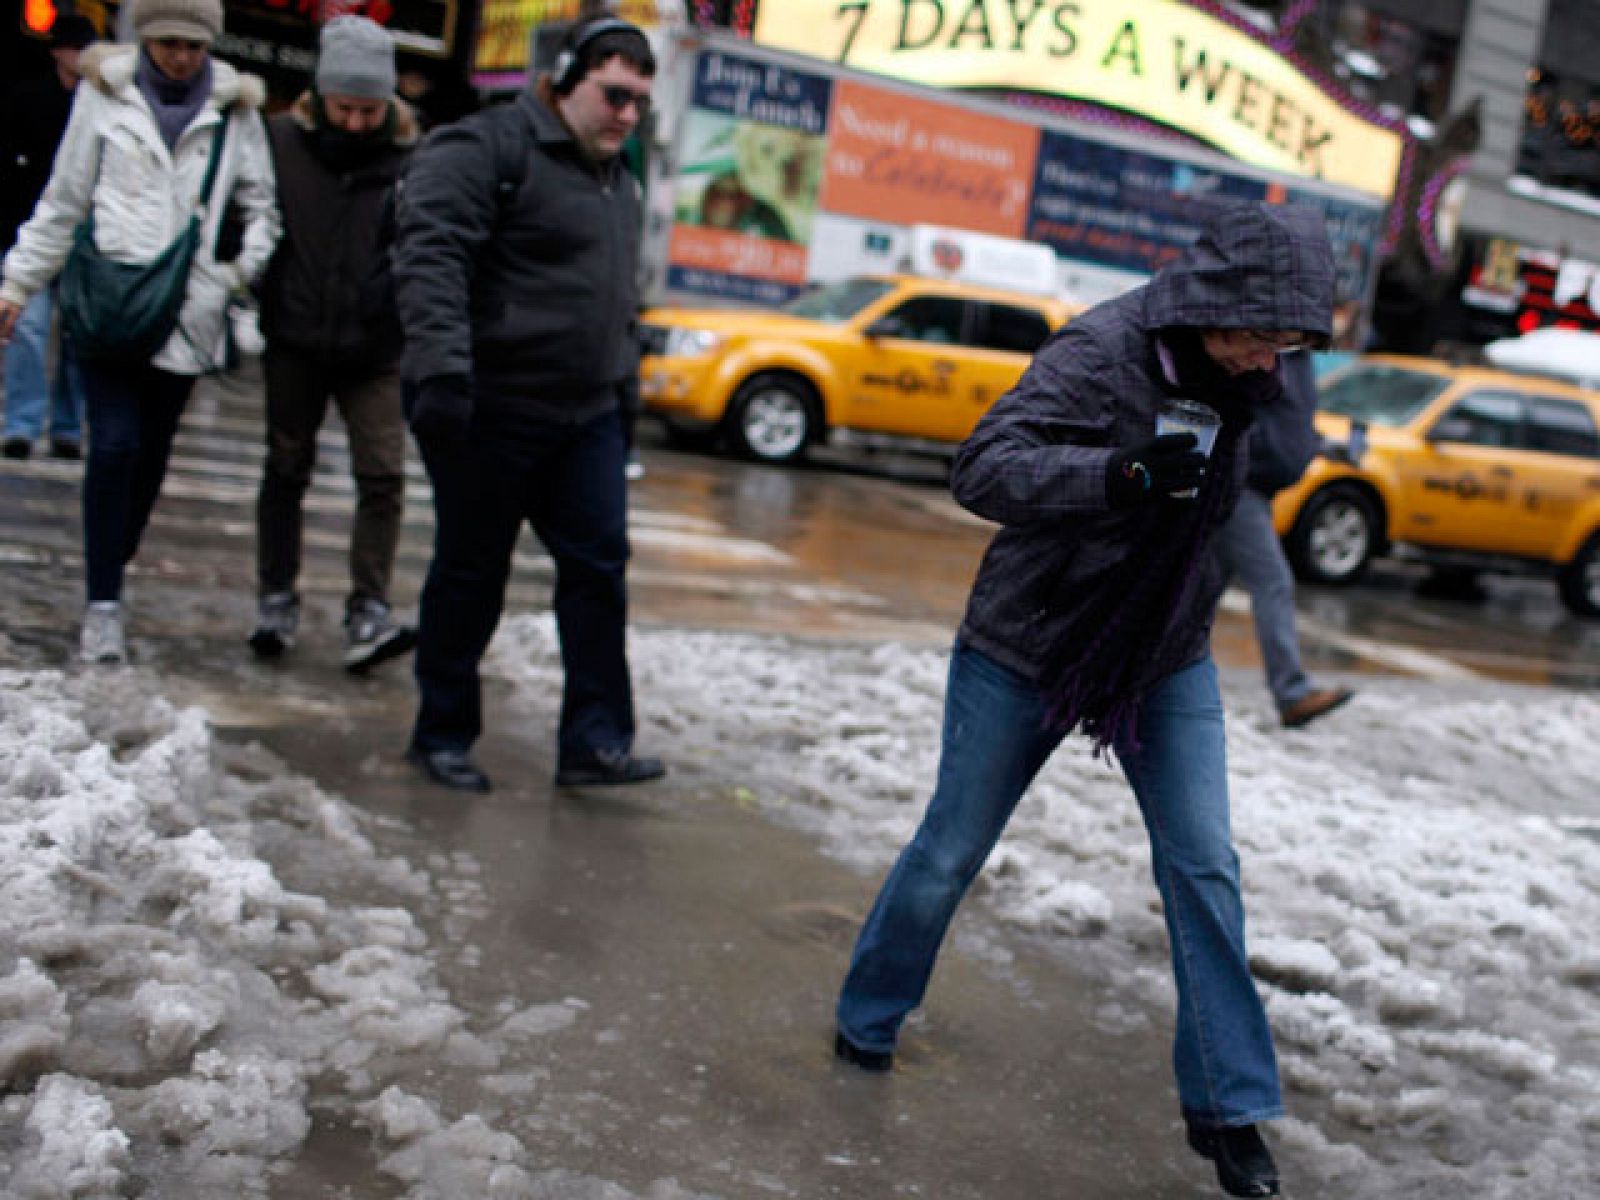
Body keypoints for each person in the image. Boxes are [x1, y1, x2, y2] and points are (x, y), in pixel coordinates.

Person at [832, 202, 1335, 1200]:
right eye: (1253, 334)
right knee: (949, 850)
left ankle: (1228, 1112)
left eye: (1283, 340)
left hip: (1164, 649)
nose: (1261, 357)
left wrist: (1282, 384)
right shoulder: (1101, 351)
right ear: (1206, 303)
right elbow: (980, 466)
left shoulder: (1259, 371)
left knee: (1205, 867)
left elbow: (1278, 461)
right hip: (1032, 642)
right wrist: (1119, 475)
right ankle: (866, 1020)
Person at [393, 15, 666, 793]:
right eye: (615, 94)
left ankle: (594, 743)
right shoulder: (486, 148)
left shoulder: (619, 177)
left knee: (598, 570)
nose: (627, 115)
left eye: (640, 102)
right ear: (567, 78)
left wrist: (624, 394)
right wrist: (443, 373)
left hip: (587, 417)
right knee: (472, 572)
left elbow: (617, 299)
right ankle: (440, 733)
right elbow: (430, 254)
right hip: (491, 407)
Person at [0, 0, 280, 665]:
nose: (181, 55)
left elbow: (262, 207)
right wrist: (16, 285)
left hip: (187, 314)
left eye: (192, 43)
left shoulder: (235, 109)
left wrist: (232, 275)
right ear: (147, 40)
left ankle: (110, 568)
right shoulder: (105, 97)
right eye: (168, 42)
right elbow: (63, 201)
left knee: (150, 459)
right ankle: (103, 603)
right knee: (116, 446)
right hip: (109, 304)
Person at [249, 16, 419, 673]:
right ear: (321, 97)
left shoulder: (411, 153)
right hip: (294, 335)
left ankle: (369, 608)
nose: (355, 123)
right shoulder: (278, 142)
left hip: (375, 345)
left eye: (368, 109)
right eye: (345, 108)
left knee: (382, 474)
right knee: (285, 467)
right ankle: (275, 597)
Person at [1215, 347, 1356, 728]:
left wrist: (1327, 447)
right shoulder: (1269, 348)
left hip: (1257, 488)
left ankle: (1144, 673)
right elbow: (1242, 410)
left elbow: (1290, 427)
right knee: (1272, 582)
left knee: (1200, 592)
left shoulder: (1300, 357)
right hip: (1242, 487)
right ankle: (1291, 692)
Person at [0, 13, 96, 462]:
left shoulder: (103, 108)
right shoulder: (28, 100)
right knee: (28, 329)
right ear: (58, 51)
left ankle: (66, 427)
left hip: (82, 239)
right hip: (31, 231)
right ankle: (22, 422)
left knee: (79, 338)